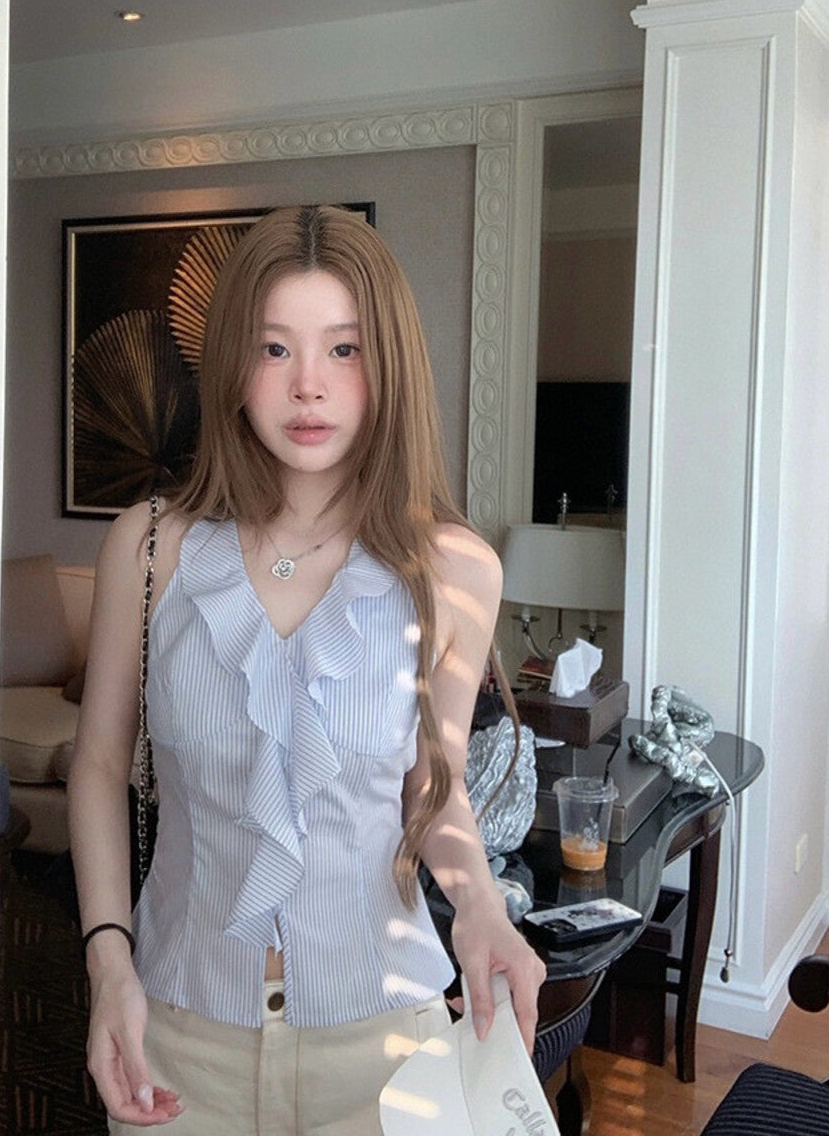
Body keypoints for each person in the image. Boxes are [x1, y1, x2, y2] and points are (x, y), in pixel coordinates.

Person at [67, 204, 547, 1134]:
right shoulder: (150, 549)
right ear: (234, 365)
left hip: (386, 1047)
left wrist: (482, 907)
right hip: (176, 1037)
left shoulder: (453, 569)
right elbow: (96, 764)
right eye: (275, 348)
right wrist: (107, 962)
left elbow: (432, 784)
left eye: (344, 348)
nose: (309, 386)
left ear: (389, 361)